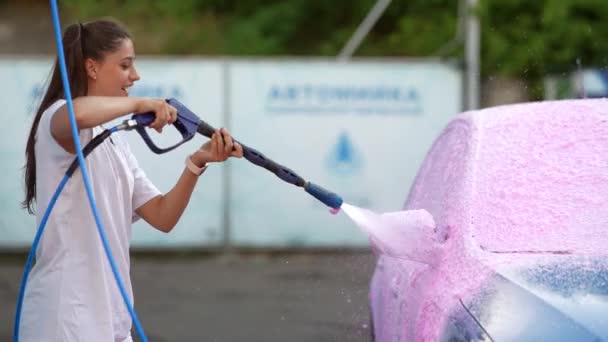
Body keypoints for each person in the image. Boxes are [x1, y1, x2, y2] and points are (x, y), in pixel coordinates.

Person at [19, 19, 243, 342]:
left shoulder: (115, 144)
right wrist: (140, 104)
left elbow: (163, 216)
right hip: (64, 320)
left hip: (113, 322)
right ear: (92, 68)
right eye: (125, 66)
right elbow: (77, 114)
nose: (135, 77)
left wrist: (197, 162)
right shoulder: (58, 119)